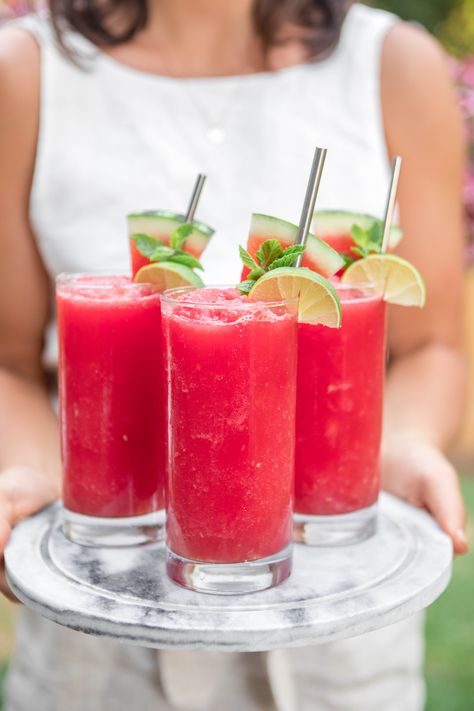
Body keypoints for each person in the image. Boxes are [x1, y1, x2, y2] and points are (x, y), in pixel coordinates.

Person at [0, 0, 468, 709]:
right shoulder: (26, 75)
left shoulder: (396, 64)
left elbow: (433, 341)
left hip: (337, 638)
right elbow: (9, 359)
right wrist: (30, 474)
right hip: (99, 645)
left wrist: (400, 445)